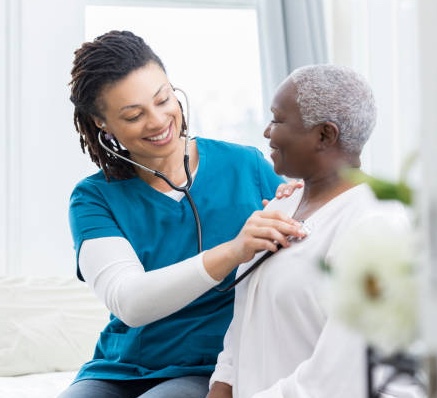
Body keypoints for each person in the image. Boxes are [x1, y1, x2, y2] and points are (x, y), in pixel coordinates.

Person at [60, 30, 305, 398]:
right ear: (102, 124)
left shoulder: (246, 166)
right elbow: (131, 302)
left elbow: (307, 249)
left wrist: (299, 205)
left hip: (211, 367)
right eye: (133, 115)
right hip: (119, 370)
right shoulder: (94, 198)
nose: (158, 121)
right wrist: (234, 250)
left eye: (163, 99)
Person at [207, 64, 413, 398]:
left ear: (324, 135)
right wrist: (221, 387)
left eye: (277, 119)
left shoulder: (376, 225)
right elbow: (245, 324)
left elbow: (340, 379)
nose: (266, 132)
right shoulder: (278, 208)